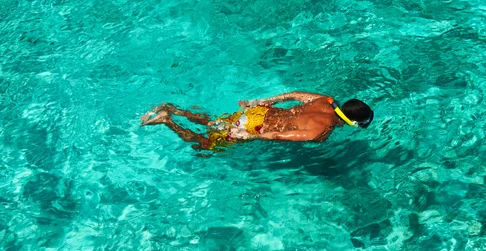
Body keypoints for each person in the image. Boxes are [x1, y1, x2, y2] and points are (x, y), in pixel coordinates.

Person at [140, 91, 373, 151]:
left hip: (259, 112)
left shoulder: (325, 99)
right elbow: (277, 135)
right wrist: (250, 135)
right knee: (207, 145)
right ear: (353, 123)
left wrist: (259, 101)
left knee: (213, 123)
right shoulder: (320, 132)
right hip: (257, 126)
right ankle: (166, 121)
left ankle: (172, 109)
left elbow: (290, 96)